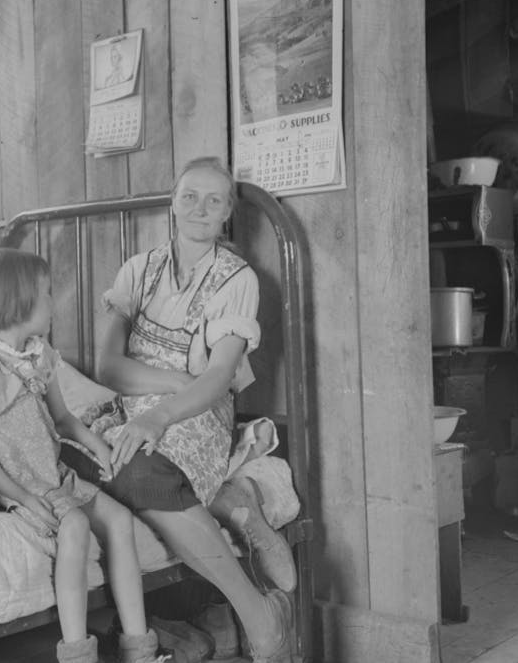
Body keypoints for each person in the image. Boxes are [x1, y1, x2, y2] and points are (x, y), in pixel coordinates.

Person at [64, 156, 297, 663]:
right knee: (88, 458)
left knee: (135, 470)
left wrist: (162, 411)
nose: (199, 208)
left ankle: (259, 617)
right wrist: (172, 381)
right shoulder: (136, 270)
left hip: (196, 416)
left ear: (227, 214)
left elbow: (216, 383)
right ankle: (229, 503)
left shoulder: (238, 280)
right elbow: (108, 367)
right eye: (189, 195)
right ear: (172, 202)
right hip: (132, 409)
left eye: (214, 200)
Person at [0, 248, 164, 663]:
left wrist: (100, 447)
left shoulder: (41, 354)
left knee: (120, 520)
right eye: (47, 294)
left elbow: (64, 419)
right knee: (73, 526)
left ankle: (139, 649)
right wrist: (27, 498)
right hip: (16, 479)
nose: (54, 302)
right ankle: (76, 652)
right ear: (17, 302)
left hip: (54, 472)